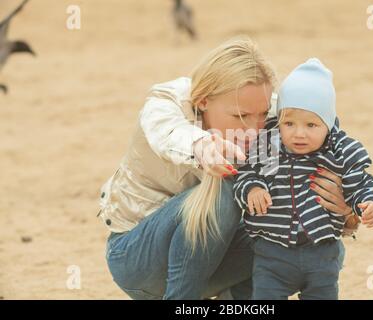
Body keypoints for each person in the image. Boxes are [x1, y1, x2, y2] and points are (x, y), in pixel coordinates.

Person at [99, 38, 353, 300]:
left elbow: (324, 144)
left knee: (316, 246)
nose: (255, 128)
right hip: (137, 260)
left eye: (262, 114)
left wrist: (344, 209)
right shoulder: (168, 101)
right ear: (203, 100)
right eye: (240, 117)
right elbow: (167, 132)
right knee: (224, 186)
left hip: (213, 263)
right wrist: (202, 146)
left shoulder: (278, 115)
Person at [233, 58, 373, 300]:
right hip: (271, 254)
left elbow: (364, 183)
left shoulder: (340, 151)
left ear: (327, 123)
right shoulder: (267, 144)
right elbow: (245, 173)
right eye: (289, 123)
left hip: (322, 254)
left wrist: (372, 203)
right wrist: (253, 188)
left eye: (312, 125)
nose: (299, 133)